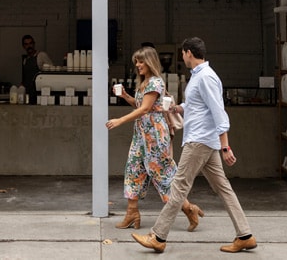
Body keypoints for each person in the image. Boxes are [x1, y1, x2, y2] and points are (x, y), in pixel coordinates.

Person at [132, 37, 257, 254]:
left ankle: (158, 236)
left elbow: (219, 112)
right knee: (224, 188)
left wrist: (225, 146)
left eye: (183, 53)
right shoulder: (199, 77)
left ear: (189, 53)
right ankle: (245, 235)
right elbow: (197, 106)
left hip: (199, 141)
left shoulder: (206, 77)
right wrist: (177, 108)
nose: (182, 57)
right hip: (205, 141)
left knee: (179, 186)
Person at [106, 46, 204, 232]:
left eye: (141, 61)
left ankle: (188, 208)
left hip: (155, 137)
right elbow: (141, 105)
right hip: (141, 135)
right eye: (136, 61)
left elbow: (144, 109)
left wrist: (120, 120)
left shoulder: (155, 83)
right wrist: (126, 96)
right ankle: (131, 213)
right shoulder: (144, 82)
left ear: (150, 62)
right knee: (134, 169)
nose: (138, 64)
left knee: (163, 175)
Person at [21, 34, 53, 105]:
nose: (29, 46)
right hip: (29, 95)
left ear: (34, 44)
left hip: (40, 95)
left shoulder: (41, 55)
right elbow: (26, 78)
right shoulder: (25, 60)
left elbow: (52, 72)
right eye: (26, 44)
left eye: (30, 43)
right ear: (23, 46)